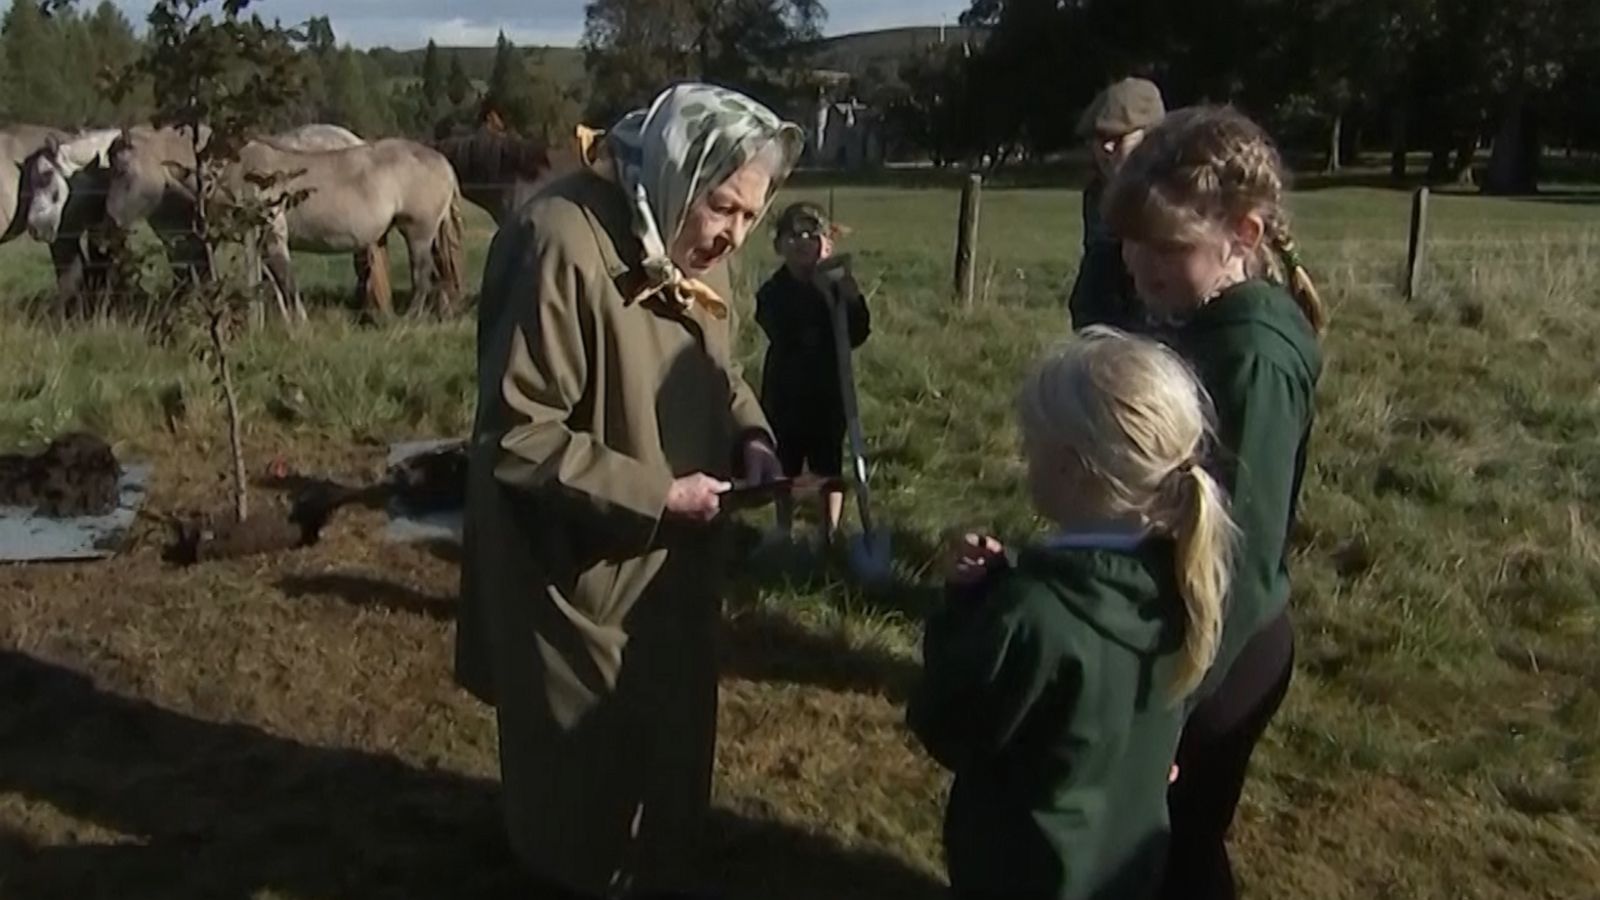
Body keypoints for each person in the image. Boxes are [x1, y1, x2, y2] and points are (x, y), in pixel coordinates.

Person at [455, 83, 804, 900]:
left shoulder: (677, 231)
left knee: (667, 761)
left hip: (672, 567)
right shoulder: (560, 243)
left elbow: (718, 368)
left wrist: (750, 430)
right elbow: (516, 433)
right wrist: (656, 493)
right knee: (580, 786)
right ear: (680, 170)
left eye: (751, 216)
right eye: (724, 208)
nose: (734, 235)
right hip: (577, 573)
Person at [907, 328, 1239, 900]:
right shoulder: (1182, 585)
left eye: (1031, 445)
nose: (1024, 458)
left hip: (1026, 872)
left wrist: (966, 607)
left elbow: (946, 722)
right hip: (1126, 867)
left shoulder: (1032, 615)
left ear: (1070, 467)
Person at [1103, 105, 1326, 900]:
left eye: (1167, 248)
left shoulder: (1253, 354)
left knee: (1177, 848)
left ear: (1245, 234)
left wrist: (1177, 703)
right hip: (1182, 625)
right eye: (1130, 242)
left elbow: (1240, 548)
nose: (1140, 265)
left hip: (1221, 654)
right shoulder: (1200, 318)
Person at [754, 201, 870, 544]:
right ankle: (783, 526)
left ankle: (830, 529)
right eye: (794, 235)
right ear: (779, 245)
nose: (803, 242)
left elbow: (859, 331)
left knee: (828, 462)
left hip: (829, 390)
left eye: (812, 234)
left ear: (826, 243)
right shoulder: (773, 292)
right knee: (785, 460)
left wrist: (845, 297)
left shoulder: (838, 285)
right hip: (786, 390)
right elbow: (777, 327)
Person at [1067, 77, 1166, 332]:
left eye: (1118, 138)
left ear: (1150, 137)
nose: (1107, 148)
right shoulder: (1097, 194)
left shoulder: (1172, 197)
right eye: (1100, 138)